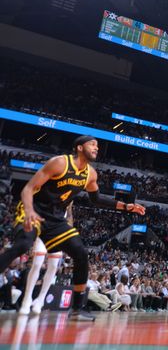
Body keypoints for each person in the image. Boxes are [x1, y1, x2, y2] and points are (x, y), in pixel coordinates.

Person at [0, 136, 145, 321]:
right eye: (92, 144)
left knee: (80, 252)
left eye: (98, 146)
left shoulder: (90, 174)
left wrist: (126, 206)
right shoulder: (59, 163)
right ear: (79, 147)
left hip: (56, 219)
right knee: (23, 245)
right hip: (34, 210)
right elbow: (28, 188)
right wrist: (28, 211)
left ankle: (77, 309)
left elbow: (96, 200)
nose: (96, 148)